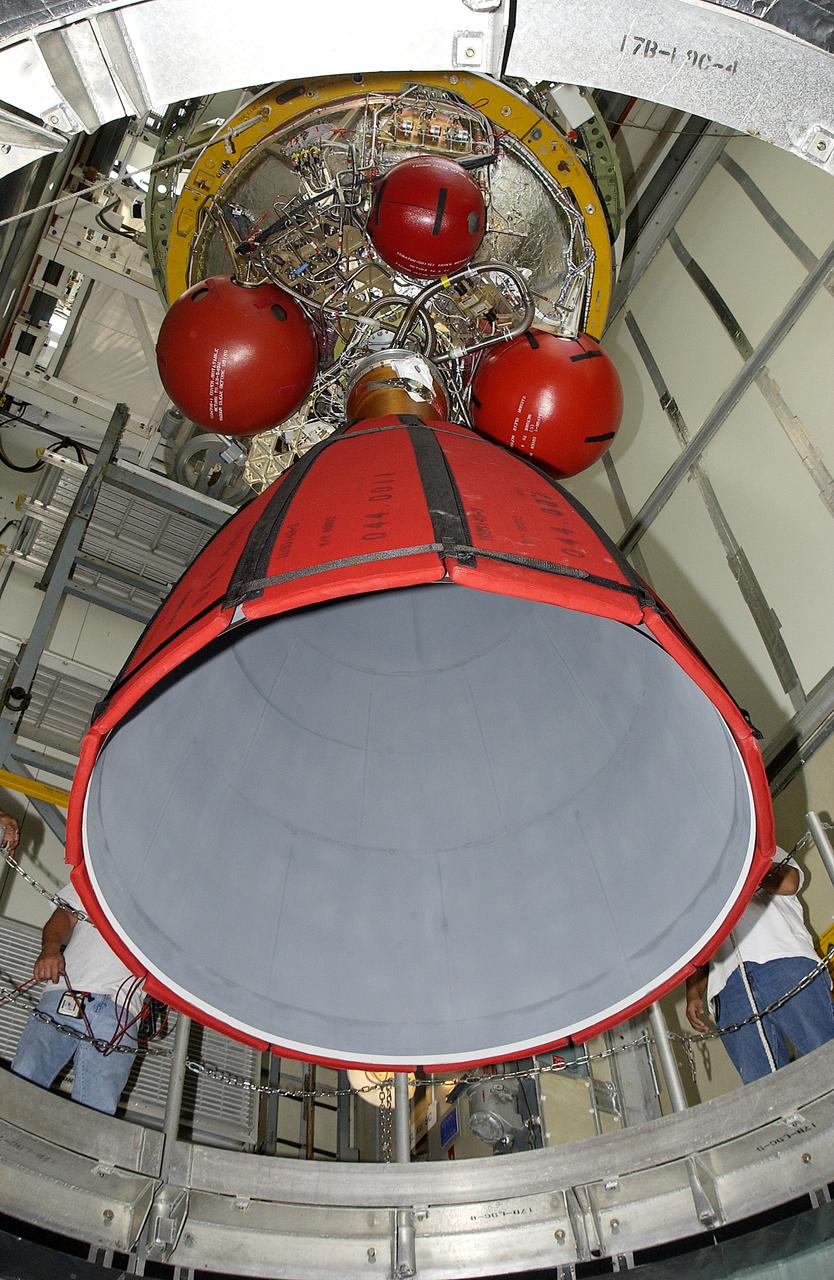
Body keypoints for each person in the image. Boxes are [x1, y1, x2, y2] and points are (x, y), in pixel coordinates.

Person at [685, 847, 834, 1084]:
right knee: (764, 1091)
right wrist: (693, 993)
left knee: (824, 1056)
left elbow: (789, 882)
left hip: (784, 960)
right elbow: (701, 949)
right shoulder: (698, 888)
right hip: (729, 990)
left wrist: (741, 864)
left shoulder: (756, 845)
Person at [11, 882, 145, 1114]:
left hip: (121, 1010)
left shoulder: (180, 901)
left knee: (97, 1112)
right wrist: (50, 949)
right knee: (21, 1085)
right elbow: (65, 914)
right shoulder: (100, 871)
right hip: (66, 992)